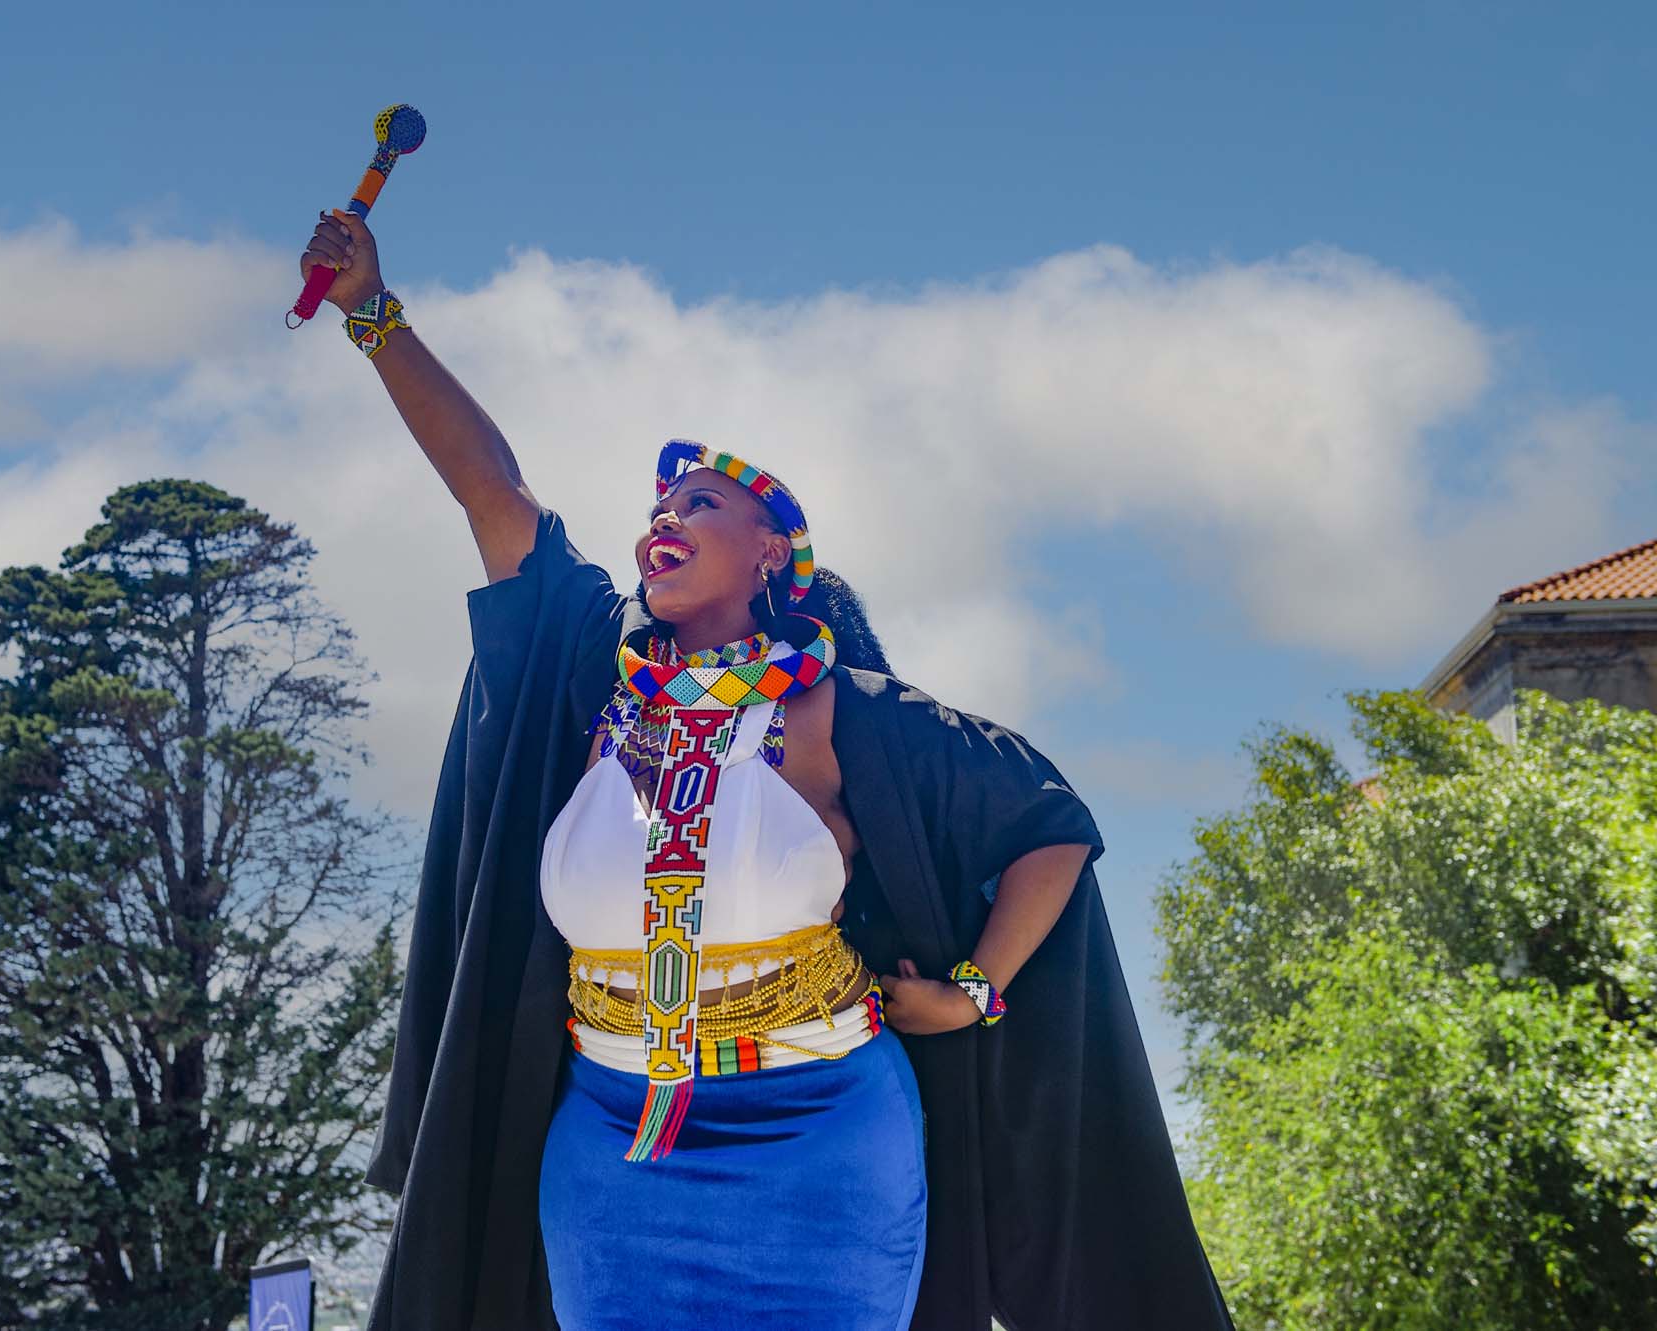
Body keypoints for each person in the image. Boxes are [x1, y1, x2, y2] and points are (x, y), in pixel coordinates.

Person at [302, 210, 1235, 1330]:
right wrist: (370, 310)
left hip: (820, 1142)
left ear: (766, 558)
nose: (664, 517)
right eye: (657, 506)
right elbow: (492, 493)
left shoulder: (839, 714)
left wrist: (975, 990)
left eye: (699, 504)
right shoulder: (582, 673)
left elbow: (1051, 825)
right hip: (610, 1140)